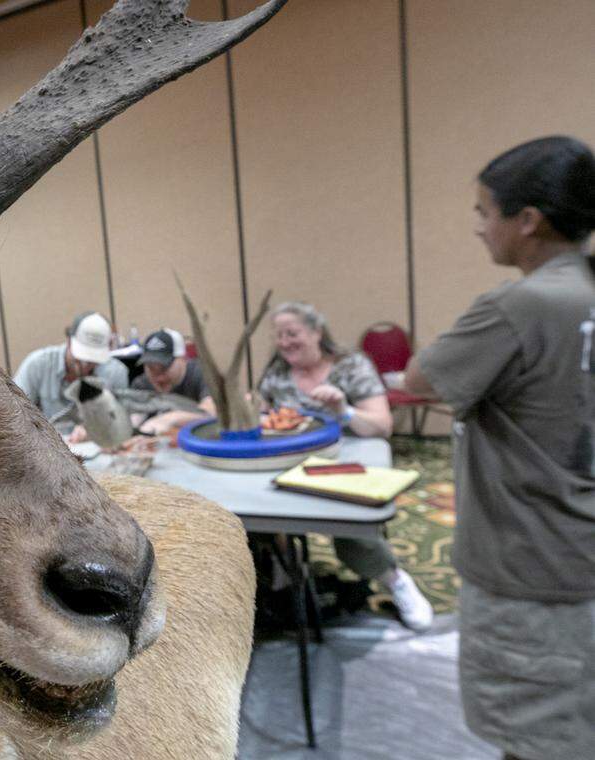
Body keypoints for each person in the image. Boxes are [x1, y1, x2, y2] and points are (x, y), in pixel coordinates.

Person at [404, 136, 595, 760]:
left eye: (485, 212)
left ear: (528, 220)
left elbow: (422, 379)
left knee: (532, 736)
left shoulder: (522, 304)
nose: (479, 229)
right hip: (579, 546)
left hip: (530, 557)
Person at [258, 302, 433, 630]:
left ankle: (395, 580)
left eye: (292, 333)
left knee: (350, 529)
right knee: (258, 516)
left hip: (346, 463)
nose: (284, 342)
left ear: (316, 332)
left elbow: (382, 426)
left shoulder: (351, 366)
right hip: (287, 465)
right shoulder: (277, 372)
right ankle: (287, 581)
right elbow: (265, 417)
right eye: (279, 335)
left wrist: (344, 410)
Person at [14, 311, 129, 440]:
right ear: (69, 341)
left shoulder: (116, 372)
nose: (85, 365)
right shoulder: (37, 365)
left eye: (93, 360)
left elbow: (121, 424)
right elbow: (14, 415)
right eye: (80, 358)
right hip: (47, 448)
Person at [131, 328, 215, 435]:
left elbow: (210, 413)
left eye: (164, 368)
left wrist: (170, 419)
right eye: (151, 368)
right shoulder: (141, 384)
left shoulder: (203, 374)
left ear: (183, 358)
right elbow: (133, 420)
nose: (159, 378)